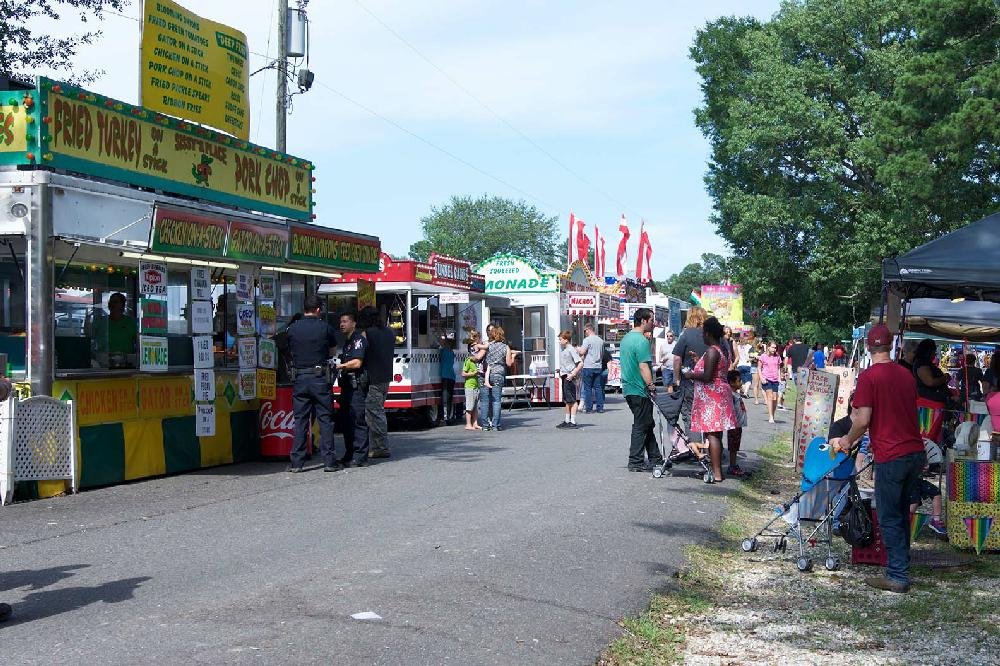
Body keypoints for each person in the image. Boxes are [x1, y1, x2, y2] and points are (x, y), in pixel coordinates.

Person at [833, 325, 926, 593]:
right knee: (901, 511)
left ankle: (897, 575)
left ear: (867, 347)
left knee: (888, 515)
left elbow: (862, 419)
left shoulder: (869, 377)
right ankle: (901, 566)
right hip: (915, 452)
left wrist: (847, 440)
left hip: (891, 453)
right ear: (891, 344)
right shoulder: (906, 375)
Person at [286, 295, 339, 473]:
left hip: (299, 378)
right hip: (319, 378)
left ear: (304, 309)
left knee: (301, 419)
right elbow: (332, 351)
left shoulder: (292, 328)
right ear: (318, 309)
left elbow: (288, 349)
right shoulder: (325, 327)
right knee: (325, 419)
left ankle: (297, 463)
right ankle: (329, 461)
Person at [683, 317, 738, 483]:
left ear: (708, 333)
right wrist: (698, 361)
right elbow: (712, 369)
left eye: (703, 333)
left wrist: (690, 374)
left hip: (712, 398)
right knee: (715, 435)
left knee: (712, 435)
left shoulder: (713, 351)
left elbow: (707, 376)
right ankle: (716, 470)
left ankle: (717, 473)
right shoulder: (718, 350)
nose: (702, 337)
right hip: (717, 396)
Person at [620, 308, 666, 472]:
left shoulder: (626, 339)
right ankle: (635, 461)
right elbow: (643, 366)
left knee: (647, 423)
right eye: (652, 320)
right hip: (640, 389)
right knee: (641, 425)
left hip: (628, 388)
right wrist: (651, 385)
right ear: (644, 321)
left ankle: (656, 458)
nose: (654, 323)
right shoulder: (641, 341)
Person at [335, 311, 370, 467]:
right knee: (346, 422)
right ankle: (349, 453)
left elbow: (357, 363)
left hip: (356, 387)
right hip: (346, 387)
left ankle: (360, 456)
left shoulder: (358, 340)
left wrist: (341, 365)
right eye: (341, 322)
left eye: (345, 321)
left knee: (358, 421)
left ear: (353, 323)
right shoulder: (347, 342)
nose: (342, 324)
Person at [360, 306, 394, 459]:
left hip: (373, 378)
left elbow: (363, 354)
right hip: (386, 377)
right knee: (377, 411)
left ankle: (381, 447)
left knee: (374, 413)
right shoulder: (389, 332)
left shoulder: (367, 334)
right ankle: (376, 446)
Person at [672, 306, 708, 440]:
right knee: (708, 413)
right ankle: (711, 449)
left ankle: (696, 448)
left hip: (689, 381)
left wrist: (676, 378)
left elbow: (677, 358)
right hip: (709, 381)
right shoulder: (711, 334)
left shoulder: (686, 334)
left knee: (691, 413)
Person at [480, 326, 517, 431]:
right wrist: (513, 356)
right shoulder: (505, 347)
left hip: (486, 374)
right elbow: (509, 363)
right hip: (498, 374)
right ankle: (496, 425)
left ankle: (485, 425)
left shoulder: (488, 345)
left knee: (485, 401)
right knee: (496, 400)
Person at [557, 331, 584, 429]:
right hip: (565, 375)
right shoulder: (564, 349)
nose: (559, 341)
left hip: (570, 377)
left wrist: (573, 374)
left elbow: (580, 363)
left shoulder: (571, 349)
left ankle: (573, 421)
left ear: (566, 339)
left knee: (572, 399)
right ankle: (567, 420)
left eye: (561, 339)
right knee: (567, 400)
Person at [913, 339, 952, 404]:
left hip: (936, 400)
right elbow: (930, 382)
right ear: (929, 352)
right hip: (931, 403)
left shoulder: (925, 363)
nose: (934, 355)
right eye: (934, 352)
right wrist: (944, 377)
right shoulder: (921, 363)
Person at [578, 323, 606, 413]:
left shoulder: (587, 340)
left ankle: (589, 408)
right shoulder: (601, 340)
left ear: (588, 330)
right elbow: (602, 354)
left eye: (585, 331)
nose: (585, 332)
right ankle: (600, 408)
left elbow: (582, 352)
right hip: (598, 366)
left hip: (588, 366)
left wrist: (577, 349)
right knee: (598, 388)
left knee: (588, 388)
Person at [726, 369, 748, 477]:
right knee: (733, 447)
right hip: (734, 425)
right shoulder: (731, 395)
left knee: (735, 446)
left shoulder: (736, 393)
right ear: (731, 382)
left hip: (738, 425)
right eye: (739, 381)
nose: (741, 383)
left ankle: (733, 465)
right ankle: (732, 466)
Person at [758, 341, 782, 423]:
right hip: (766, 378)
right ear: (768, 347)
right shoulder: (763, 356)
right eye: (772, 347)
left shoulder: (778, 357)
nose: (774, 349)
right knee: (770, 396)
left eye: (775, 347)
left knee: (775, 398)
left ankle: (773, 414)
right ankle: (770, 416)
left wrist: (779, 378)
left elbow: (778, 368)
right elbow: (759, 368)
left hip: (775, 379)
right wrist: (761, 378)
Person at [461, 352, 482, 431]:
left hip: (476, 386)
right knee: (469, 406)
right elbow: (463, 374)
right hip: (469, 386)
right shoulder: (468, 361)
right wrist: (473, 373)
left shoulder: (476, 362)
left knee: (475, 406)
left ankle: (475, 423)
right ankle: (468, 424)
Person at [439, 336, 457, 424]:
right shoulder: (452, 352)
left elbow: (441, 343)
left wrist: (442, 334)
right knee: (449, 398)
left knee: (444, 398)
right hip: (452, 376)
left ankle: (444, 417)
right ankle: (449, 417)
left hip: (445, 376)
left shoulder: (443, 351)